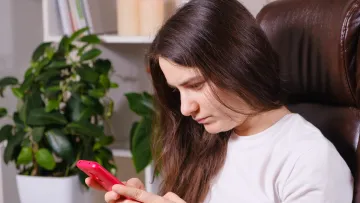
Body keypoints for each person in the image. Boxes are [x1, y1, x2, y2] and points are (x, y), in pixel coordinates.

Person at [86, 0, 354, 202]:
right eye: (178, 91)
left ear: (240, 63)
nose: (185, 108)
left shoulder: (308, 159)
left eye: (196, 85)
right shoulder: (207, 141)